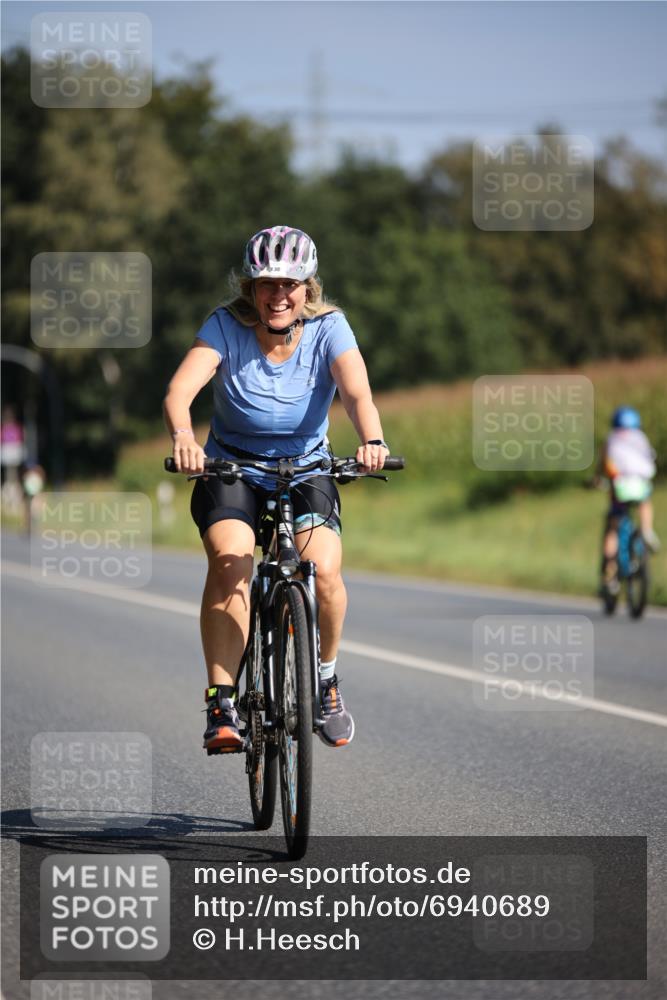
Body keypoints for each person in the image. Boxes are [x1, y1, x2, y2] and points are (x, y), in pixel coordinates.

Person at [163, 226, 390, 752]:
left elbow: (356, 393)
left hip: (306, 469)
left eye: (290, 284)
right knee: (231, 561)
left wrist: (371, 439)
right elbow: (180, 390)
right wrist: (183, 438)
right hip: (231, 471)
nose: (278, 294)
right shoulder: (224, 325)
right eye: (266, 284)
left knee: (326, 571)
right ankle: (222, 701)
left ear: (308, 288)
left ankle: (327, 682)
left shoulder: (330, 327)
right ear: (250, 288)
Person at [597, 406, 660, 592]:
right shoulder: (641, 438)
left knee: (613, 527)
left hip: (620, 486)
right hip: (640, 483)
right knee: (644, 503)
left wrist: (597, 478)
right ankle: (646, 530)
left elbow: (603, 464)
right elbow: (651, 460)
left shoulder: (612, 438)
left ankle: (610, 574)